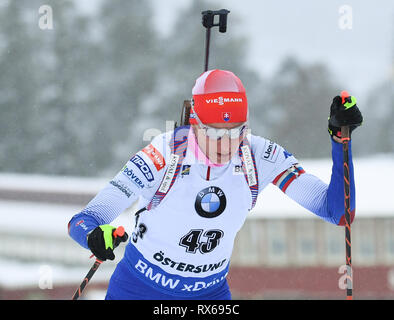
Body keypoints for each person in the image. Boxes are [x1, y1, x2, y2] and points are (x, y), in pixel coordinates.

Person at [68, 69, 363, 300]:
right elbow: (83, 221)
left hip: (208, 294)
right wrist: (94, 237)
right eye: (213, 131)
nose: (227, 143)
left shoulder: (260, 155)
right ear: (194, 123)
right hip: (140, 288)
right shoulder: (164, 153)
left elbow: (337, 212)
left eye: (237, 131)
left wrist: (341, 140)